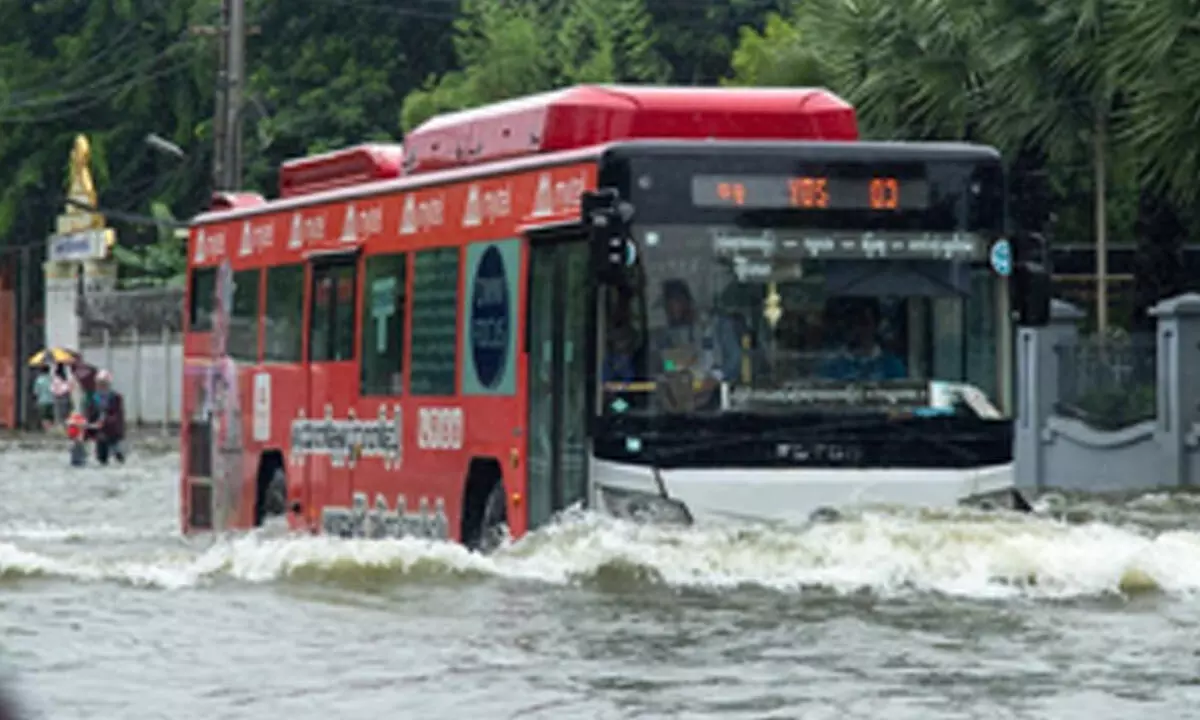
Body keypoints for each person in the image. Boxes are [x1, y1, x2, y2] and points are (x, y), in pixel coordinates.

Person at [820, 298, 907, 381]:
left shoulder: (893, 366)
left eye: (864, 322)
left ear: (876, 325)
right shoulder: (831, 366)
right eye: (852, 323)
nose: (858, 329)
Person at [85, 369, 126, 465]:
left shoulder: (116, 397)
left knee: (118, 456)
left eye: (103, 384)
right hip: (98, 432)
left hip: (112, 432)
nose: (101, 386)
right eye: (99, 383)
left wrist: (106, 422)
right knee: (101, 456)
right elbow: (89, 415)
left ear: (108, 384)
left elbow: (118, 416)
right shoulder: (93, 398)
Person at [31, 365, 54, 431]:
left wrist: (35, 401)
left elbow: (36, 392)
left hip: (42, 401)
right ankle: (50, 429)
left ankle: (46, 429)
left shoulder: (39, 380)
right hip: (52, 400)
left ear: (41, 371)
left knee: (44, 416)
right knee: (50, 416)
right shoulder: (52, 379)